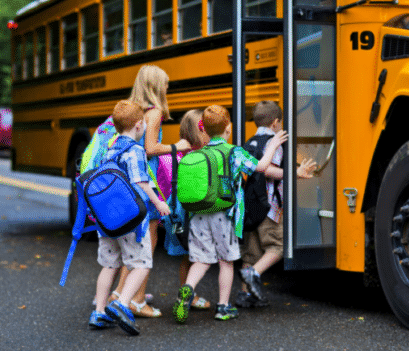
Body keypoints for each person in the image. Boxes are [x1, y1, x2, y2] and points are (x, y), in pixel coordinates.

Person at [172, 105, 288, 323]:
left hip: (198, 214)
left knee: (201, 260)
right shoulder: (234, 152)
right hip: (223, 215)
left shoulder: (200, 152)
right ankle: (223, 307)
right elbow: (262, 167)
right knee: (226, 262)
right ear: (229, 128)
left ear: (204, 130)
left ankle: (187, 288)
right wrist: (272, 145)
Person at [110, 65, 192, 317]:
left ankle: (119, 293)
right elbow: (150, 148)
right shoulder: (154, 112)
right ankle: (136, 300)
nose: (167, 88)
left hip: (129, 177)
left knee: (135, 240)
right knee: (149, 238)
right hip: (148, 177)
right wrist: (176, 146)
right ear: (156, 86)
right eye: (165, 84)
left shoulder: (134, 109)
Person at [90, 100, 170, 336]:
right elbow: (140, 182)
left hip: (107, 219)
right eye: (144, 123)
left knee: (109, 265)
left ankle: (100, 311)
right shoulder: (134, 150)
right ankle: (122, 303)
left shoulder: (109, 148)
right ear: (138, 125)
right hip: (131, 220)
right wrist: (158, 202)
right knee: (142, 263)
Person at [236, 100, 316, 308]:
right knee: (278, 245)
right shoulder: (275, 141)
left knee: (251, 252)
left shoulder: (250, 142)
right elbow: (269, 170)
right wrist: (295, 173)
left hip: (249, 204)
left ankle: (246, 294)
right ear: (276, 122)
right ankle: (253, 274)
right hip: (268, 206)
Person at [161, 109, 211, 309]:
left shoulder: (181, 153)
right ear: (200, 131)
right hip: (193, 212)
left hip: (178, 213)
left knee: (187, 256)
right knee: (195, 256)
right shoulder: (199, 156)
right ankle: (189, 294)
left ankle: (186, 292)